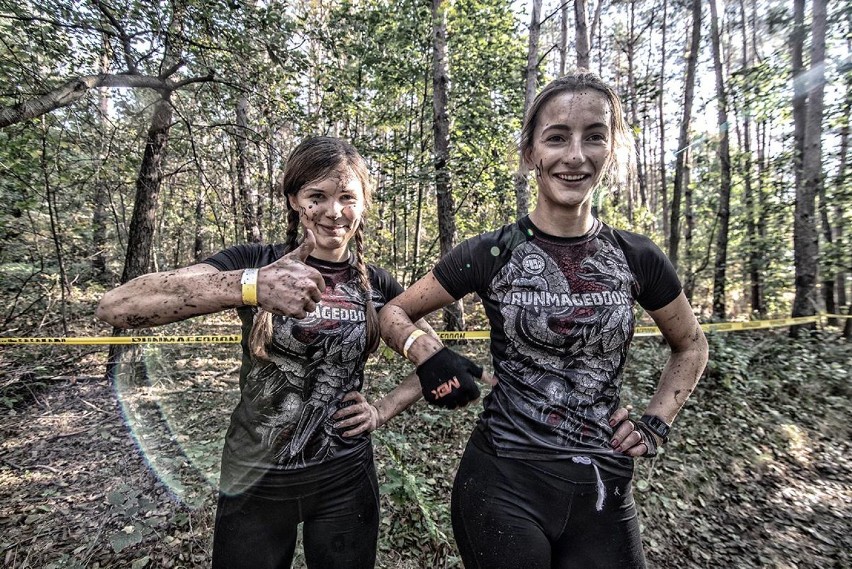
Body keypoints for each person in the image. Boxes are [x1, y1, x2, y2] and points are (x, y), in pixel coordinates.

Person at [379, 71, 709, 569]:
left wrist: (656, 422)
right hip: (502, 481)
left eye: (594, 135)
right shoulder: (493, 251)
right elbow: (394, 312)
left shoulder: (636, 256)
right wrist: (428, 354)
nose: (575, 155)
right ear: (532, 152)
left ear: (610, 148)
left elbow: (691, 346)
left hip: (602, 488)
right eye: (556, 137)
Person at [96, 136, 437, 569]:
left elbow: (435, 353)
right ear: (295, 199)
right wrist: (252, 285)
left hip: (344, 479)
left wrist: (383, 409)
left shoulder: (378, 284)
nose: (334, 212)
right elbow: (117, 307)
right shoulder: (255, 261)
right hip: (253, 478)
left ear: (363, 203)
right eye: (318, 196)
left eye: (347, 197)